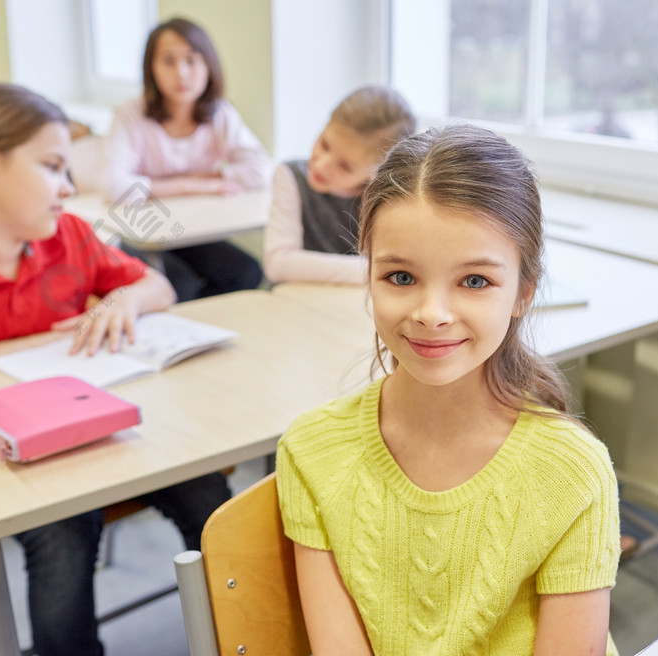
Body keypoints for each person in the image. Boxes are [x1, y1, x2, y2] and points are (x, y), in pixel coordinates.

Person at [276, 124, 621, 656]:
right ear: (367, 277)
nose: (431, 315)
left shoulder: (574, 474)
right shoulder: (312, 453)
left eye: (475, 281)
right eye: (400, 277)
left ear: (523, 292)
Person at [0, 83, 232, 656]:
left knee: (210, 494)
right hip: (1, 467)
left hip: (98, 434)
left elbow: (153, 282)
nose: (67, 188)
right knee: (63, 532)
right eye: (53, 167)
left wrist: (123, 301)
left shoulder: (70, 236)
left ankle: (242, 633)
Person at [103, 17, 271, 301]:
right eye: (168, 61)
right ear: (151, 68)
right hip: (145, 232)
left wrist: (160, 185)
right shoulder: (131, 113)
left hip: (196, 229)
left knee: (247, 273)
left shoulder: (219, 112)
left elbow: (260, 170)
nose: (181, 73)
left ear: (208, 67)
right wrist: (197, 184)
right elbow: (114, 186)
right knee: (179, 286)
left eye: (192, 61)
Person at [262, 85, 414, 285]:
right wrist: (376, 270)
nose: (321, 165)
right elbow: (277, 264)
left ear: (375, 173)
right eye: (324, 144)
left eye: (344, 166)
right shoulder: (290, 176)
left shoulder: (389, 199)